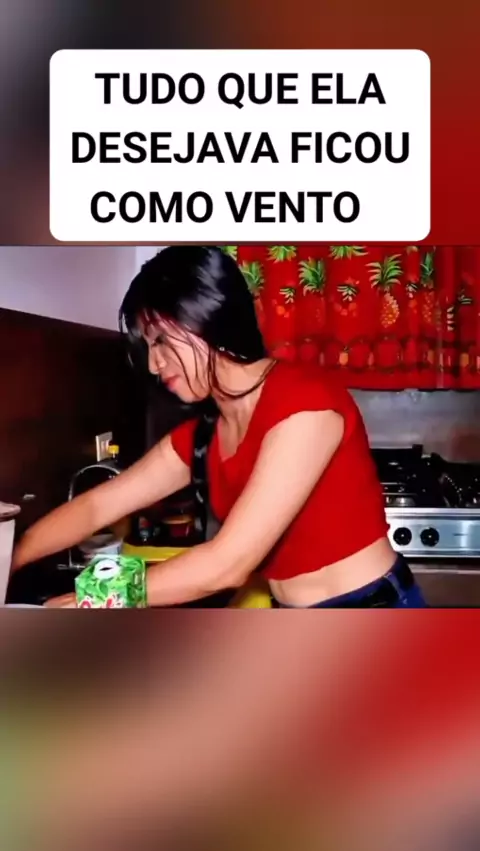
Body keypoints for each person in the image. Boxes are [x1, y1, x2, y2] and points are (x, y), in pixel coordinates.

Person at [11, 246, 426, 608]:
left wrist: (94, 598)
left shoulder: (307, 403)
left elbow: (227, 564)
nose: (154, 364)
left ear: (203, 318)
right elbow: (96, 507)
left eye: (160, 341)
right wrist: (9, 559)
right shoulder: (204, 434)